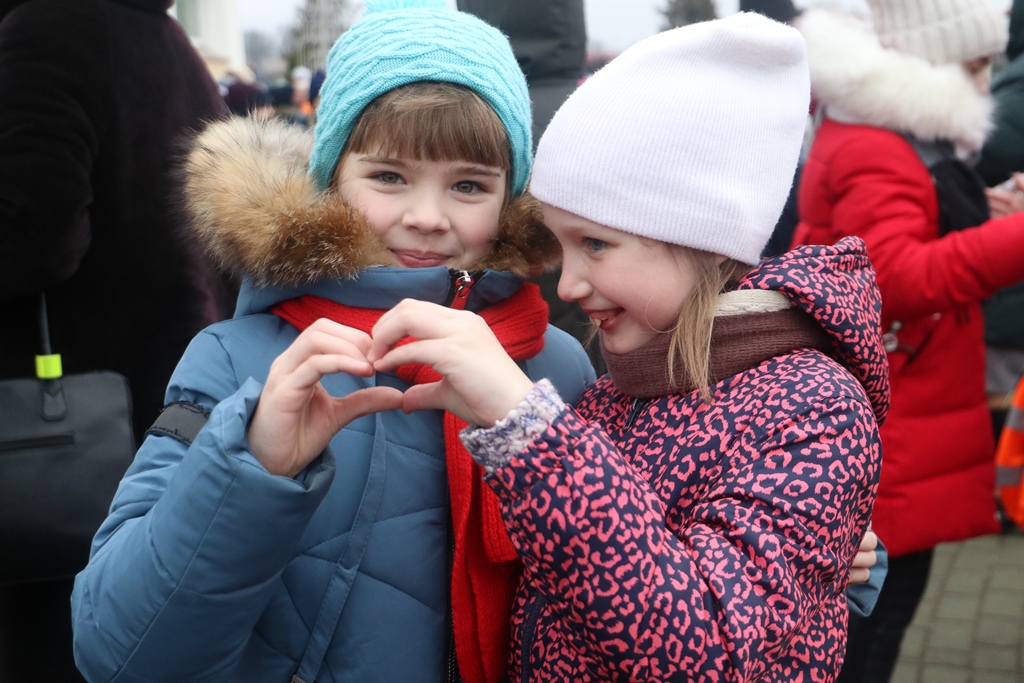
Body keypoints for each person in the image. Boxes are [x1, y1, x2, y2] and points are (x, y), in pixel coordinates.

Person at [69, 2, 595, 683]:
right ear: (331, 177)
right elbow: (118, 653)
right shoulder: (235, 359)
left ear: (510, 199)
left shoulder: (554, 368)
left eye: (469, 185)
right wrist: (251, 467)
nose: (427, 217)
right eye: (388, 176)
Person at [365, 13, 888, 681]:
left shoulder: (814, 404)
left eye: (597, 244)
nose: (571, 282)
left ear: (699, 234)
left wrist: (531, 431)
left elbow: (705, 654)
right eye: (562, 244)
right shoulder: (619, 391)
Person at [0, 0, 233, 679]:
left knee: (55, 635)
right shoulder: (163, 38)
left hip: (64, 430)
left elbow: (32, 232)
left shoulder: (47, 27)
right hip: (168, 400)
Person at [792, 0, 1024, 679]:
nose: (984, 87)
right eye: (975, 66)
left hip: (900, 416)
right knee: (872, 627)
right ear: (932, 62)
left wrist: (984, 209)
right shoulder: (878, 146)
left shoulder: (883, 135)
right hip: (894, 428)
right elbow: (895, 275)